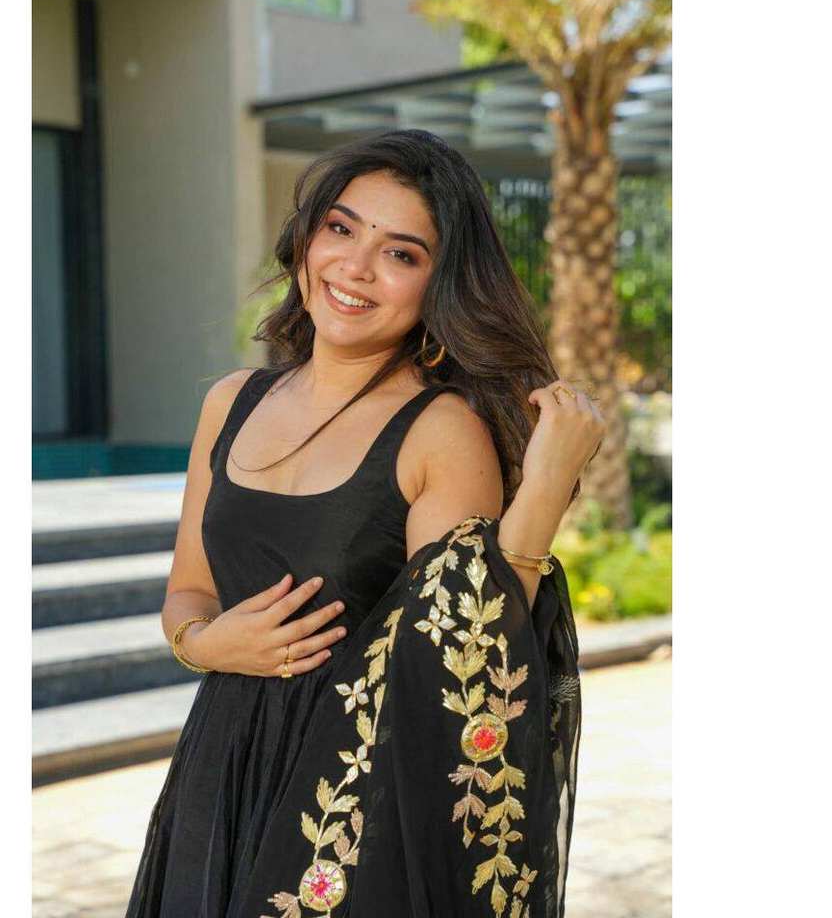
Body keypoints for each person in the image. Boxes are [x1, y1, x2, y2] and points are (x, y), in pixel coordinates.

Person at [125, 129, 602, 918]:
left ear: (438, 284)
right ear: (306, 240)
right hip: (219, 774)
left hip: (354, 804)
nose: (354, 266)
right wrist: (205, 645)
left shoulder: (438, 430)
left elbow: (465, 653)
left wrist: (545, 488)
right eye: (340, 229)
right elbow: (190, 589)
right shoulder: (230, 402)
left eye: (400, 253)